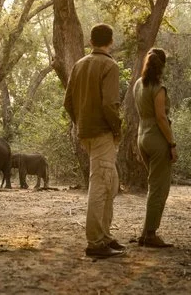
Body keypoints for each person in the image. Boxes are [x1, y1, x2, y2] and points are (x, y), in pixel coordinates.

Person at [64, 24, 125, 259]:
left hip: (87, 133)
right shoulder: (109, 65)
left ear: (91, 41)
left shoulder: (79, 65)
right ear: (110, 41)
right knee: (100, 185)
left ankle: (105, 236)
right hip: (102, 133)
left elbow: (68, 102)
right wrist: (116, 129)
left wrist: (80, 122)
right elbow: (110, 104)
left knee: (111, 183)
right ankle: (95, 243)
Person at [134, 48, 178, 248]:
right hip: (157, 138)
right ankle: (150, 234)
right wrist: (172, 143)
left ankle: (145, 233)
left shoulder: (137, 85)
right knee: (159, 189)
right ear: (162, 66)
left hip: (142, 136)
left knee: (153, 186)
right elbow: (161, 117)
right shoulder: (158, 87)